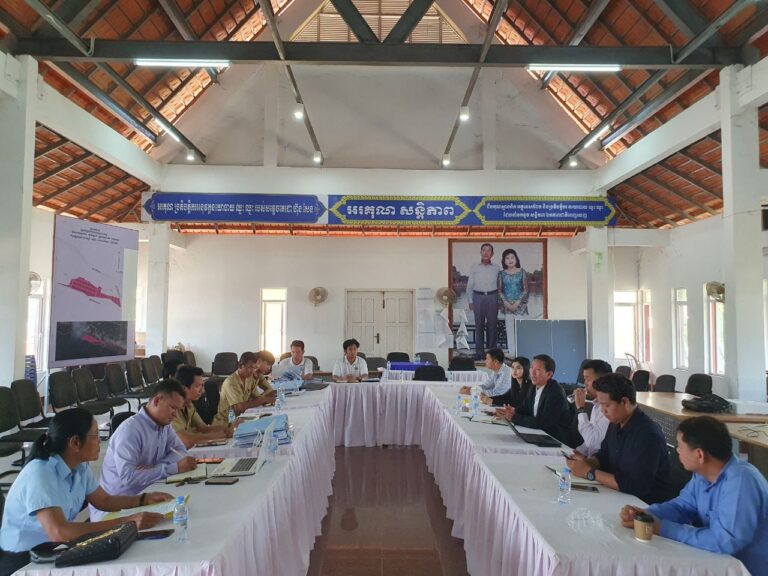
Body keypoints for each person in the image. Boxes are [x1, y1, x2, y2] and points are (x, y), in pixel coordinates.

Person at [0, 408, 173, 574]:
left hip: (53, 549)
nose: (100, 441)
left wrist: (144, 499)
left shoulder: (79, 466)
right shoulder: (40, 473)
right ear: (75, 442)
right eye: (95, 436)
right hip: (23, 561)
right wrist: (127, 522)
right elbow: (59, 532)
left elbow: (104, 501)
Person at [620, 417, 768, 576]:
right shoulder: (703, 475)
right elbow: (682, 507)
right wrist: (645, 515)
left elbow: (725, 541)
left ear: (699, 454)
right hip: (718, 564)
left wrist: (662, 528)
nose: (677, 451)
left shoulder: (741, 480)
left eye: (680, 446)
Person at [93, 379, 197, 520]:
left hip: (148, 494)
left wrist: (156, 467)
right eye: (173, 408)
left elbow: (181, 450)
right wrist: (174, 468)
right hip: (118, 507)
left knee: (190, 511)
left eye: (178, 410)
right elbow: (129, 477)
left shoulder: (165, 426)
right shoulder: (130, 431)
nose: (175, 414)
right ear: (157, 400)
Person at [566, 373, 673, 504]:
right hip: (618, 495)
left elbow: (635, 485)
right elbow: (604, 456)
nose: (603, 411)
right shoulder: (616, 422)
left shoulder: (647, 434)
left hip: (643, 505)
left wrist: (590, 472)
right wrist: (587, 462)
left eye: (606, 405)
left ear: (625, 402)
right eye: (600, 405)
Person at [496, 354, 580, 447]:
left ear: (549, 374)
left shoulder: (555, 392)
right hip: (540, 435)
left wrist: (514, 417)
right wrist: (512, 411)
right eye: (531, 368)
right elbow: (526, 408)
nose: (532, 373)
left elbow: (542, 422)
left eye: (538, 370)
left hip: (557, 440)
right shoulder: (533, 386)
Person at [172, 364, 237, 449]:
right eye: (197, 386)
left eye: (202, 385)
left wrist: (229, 428)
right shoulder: (171, 408)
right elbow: (187, 441)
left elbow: (203, 429)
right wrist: (222, 435)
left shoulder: (189, 404)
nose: (202, 391)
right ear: (184, 388)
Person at [213, 351, 276, 425]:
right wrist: (264, 399)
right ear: (240, 365)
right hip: (225, 422)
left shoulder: (248, 379)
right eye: (250, 367)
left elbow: (257, 398)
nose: (252, 371)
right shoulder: (231, 382)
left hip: (241, 417)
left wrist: (264, 399)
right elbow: (240, 408)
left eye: (254, 368)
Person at [466, 243, 501, 359]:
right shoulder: (474, 267)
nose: (486, 252)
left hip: (492, 297)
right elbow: (470, 285)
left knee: (492, 325)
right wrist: (470, 301)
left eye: (489, 250)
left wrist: (500, 301)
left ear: (492, 254)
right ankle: (479, 353)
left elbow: (500, 285)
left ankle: (492, 353)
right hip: (478, 297)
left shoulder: (496, 267)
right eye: (484, 250)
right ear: (480, 252)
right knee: (479, 325)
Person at [573, 359, 612, 456]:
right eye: (584, 379)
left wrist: (581, 409)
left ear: (602, 381)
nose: (585, 384)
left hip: (599, 463)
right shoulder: (596, 405)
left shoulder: (610, 408)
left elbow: (592, 442)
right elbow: (588, 443)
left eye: (588, 379)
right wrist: (576, 452)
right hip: (589, 460)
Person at [498, 248, 528, 355]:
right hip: (507, 307)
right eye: (507, 258)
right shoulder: (501, 274)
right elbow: (499, 291)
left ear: (516, 259)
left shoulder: (522, 272)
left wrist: (517, 302)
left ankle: (522, 354)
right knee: (510, 331)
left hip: (520, 306)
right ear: (504, 260)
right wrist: (506, 303)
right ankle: (512, 354)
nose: (510, 260)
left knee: (521, 330)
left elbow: (525, 290)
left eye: (512, 257)